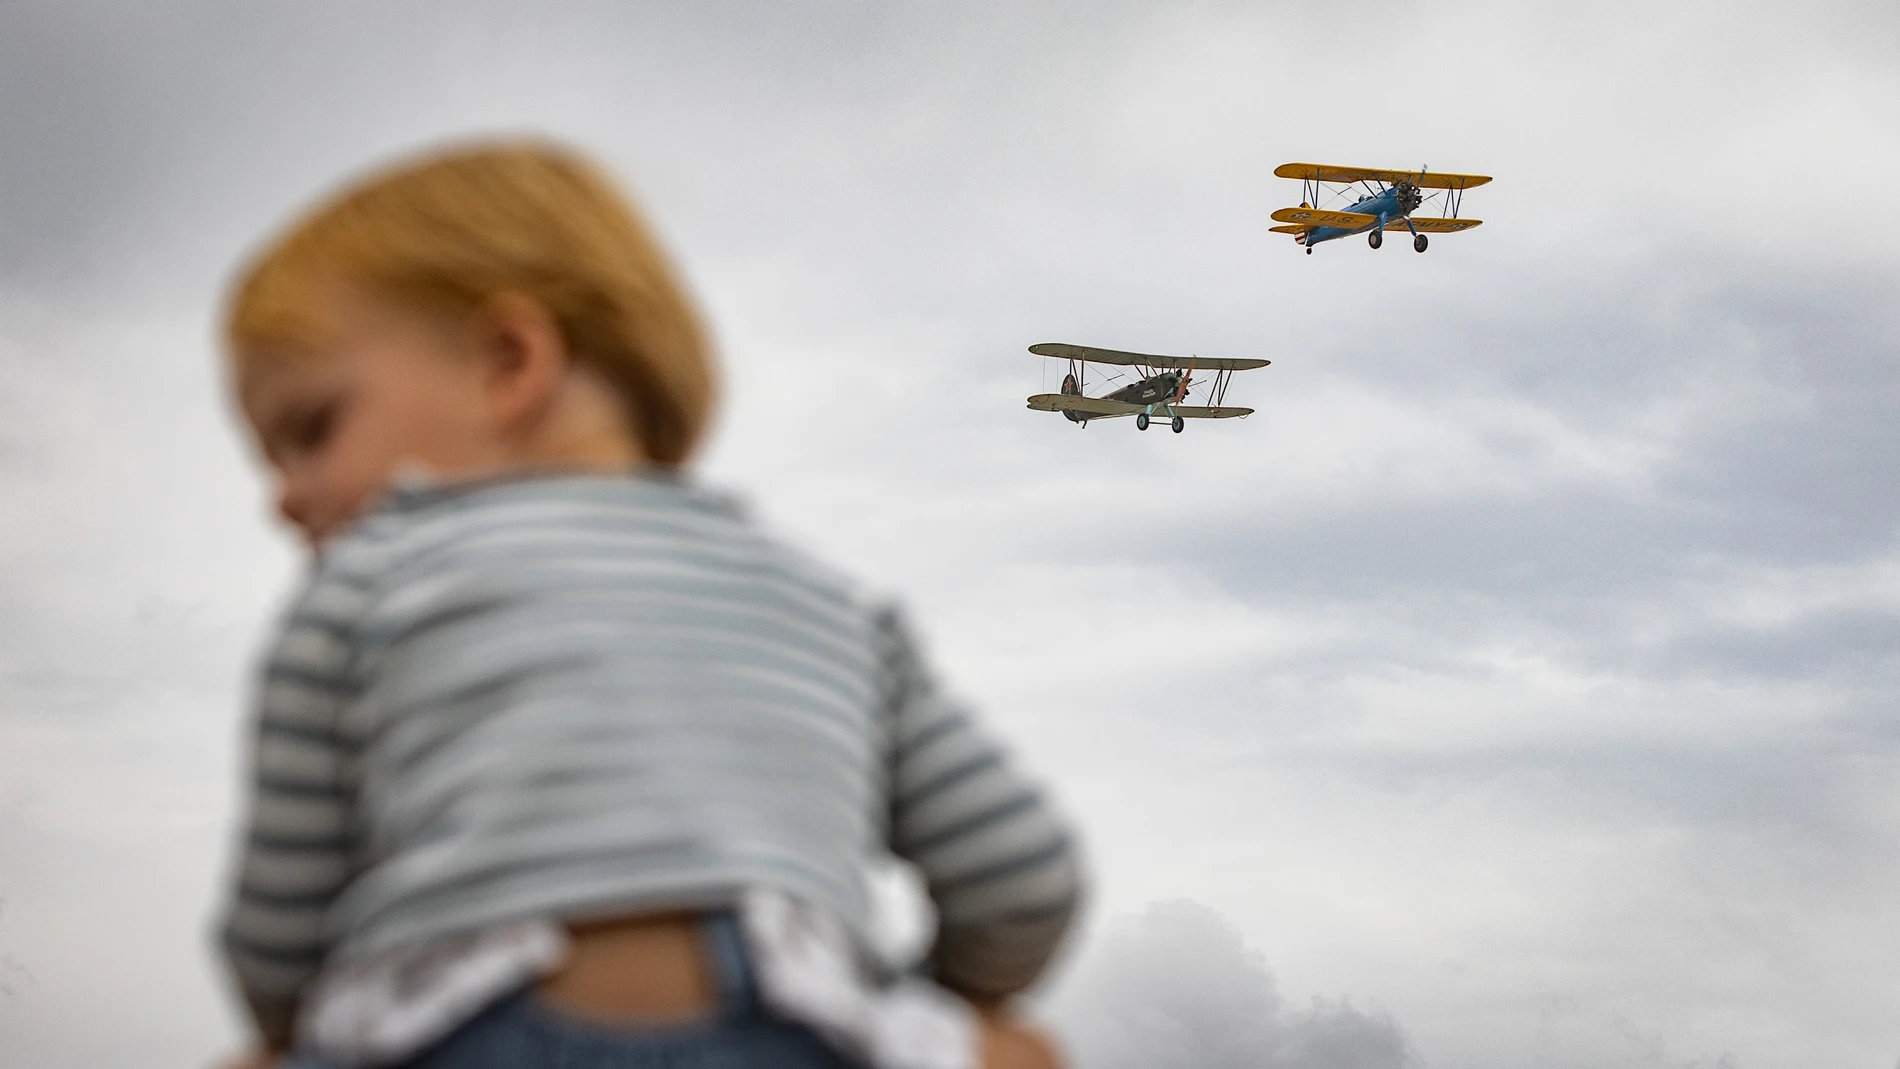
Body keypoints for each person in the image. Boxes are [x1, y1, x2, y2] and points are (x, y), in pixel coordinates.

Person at [215, 141, 1082, 1069]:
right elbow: (1023, 878)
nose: (282, 497)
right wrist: (924, 1001)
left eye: (308, 431)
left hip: (472, 1040)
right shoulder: (832, 604)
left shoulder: (369, 579)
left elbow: (277, 945)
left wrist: (281, 1024)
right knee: (1021, 1051)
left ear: (510, 362)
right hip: (796, 1036)